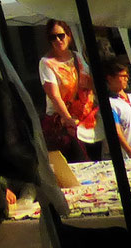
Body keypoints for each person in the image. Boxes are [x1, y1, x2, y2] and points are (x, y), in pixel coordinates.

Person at [36, 20, 98, 160]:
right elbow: (54, 96)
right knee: (80, 163)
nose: (58, 40)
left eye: (61, 35)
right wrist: (68, 119)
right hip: (65, 124)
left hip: (88, 120)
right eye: (53, 37)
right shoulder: (47, 63)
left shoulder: (78, 57)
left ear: (68, 35)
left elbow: (91, 84)